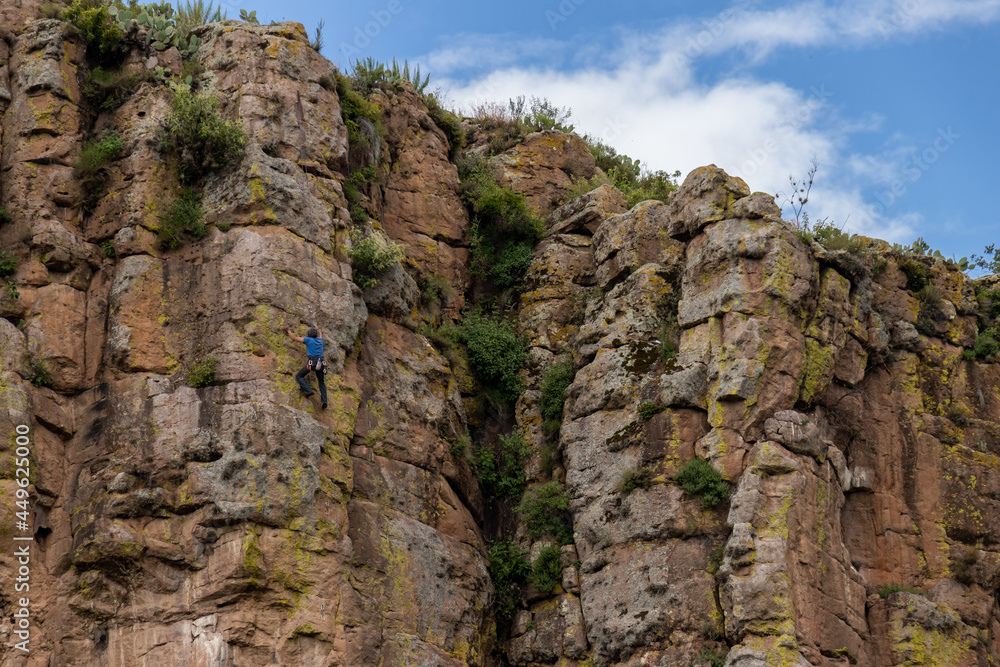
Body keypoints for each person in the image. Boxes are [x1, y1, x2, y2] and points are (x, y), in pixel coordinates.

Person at [285, 325, 328, 409]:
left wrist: (288, 330)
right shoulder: (320, 341)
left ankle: (308, 390)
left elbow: (294, 338)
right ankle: (324, 401)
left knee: (299, 376)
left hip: (312, 363)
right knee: (321, 382)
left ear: (308, 335)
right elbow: (321, 337)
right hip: (321, 364)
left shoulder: (308, 340)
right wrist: (320, 332)